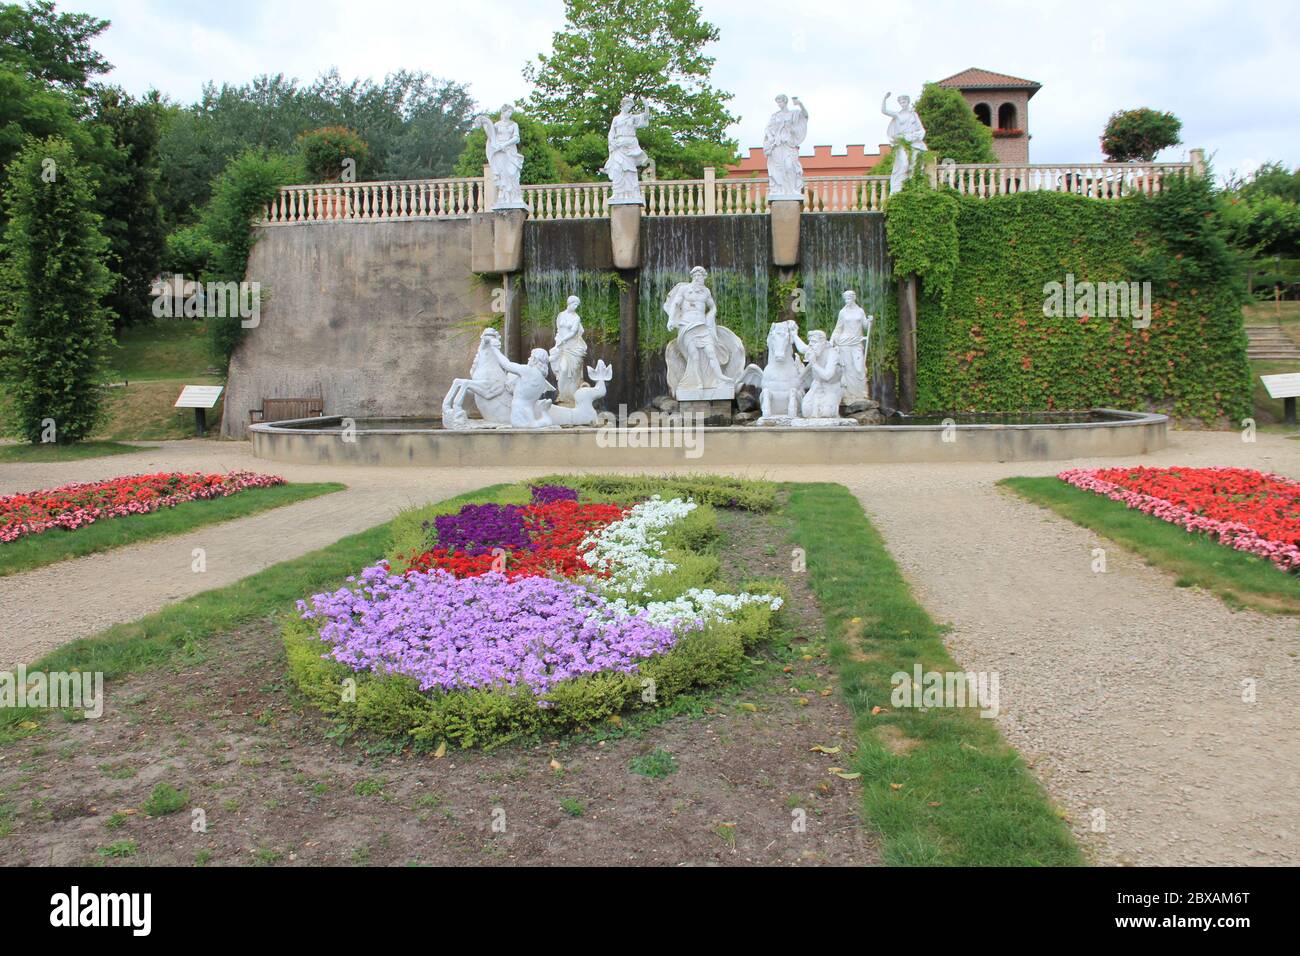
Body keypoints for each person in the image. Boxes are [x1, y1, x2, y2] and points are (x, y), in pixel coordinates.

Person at [602, 95, 651, 203]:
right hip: (619, 146)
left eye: (631, 106)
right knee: (617, 169)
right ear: (623, 105)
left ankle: (632, 193)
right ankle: (617, 193)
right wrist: (612, 143)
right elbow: (611, 133)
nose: (629, 108)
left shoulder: (632, 118)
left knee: (630, 170)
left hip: (630, 145)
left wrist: (646, 106)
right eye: (628, 105)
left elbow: (645, 117)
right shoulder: (616, 119)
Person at [830, 290, 873, 402]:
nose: (847, 300)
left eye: (849, 298)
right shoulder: (842, 312)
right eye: (845, 298)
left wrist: (869, 322)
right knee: (848, 369)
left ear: (854, 297)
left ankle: (862, 392)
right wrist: (832, 339)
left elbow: (864, 325)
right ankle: (849, 394)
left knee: (860, 368)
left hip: (856, 342)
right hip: (844, 342)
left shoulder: (860, 311)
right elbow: (838, 328)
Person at [763, 94, 809, 198]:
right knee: (779, 169)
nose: (779, 104)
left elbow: (805, 116)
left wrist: (800, 104)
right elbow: (767, 129)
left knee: (789, 166)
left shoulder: (793, 113)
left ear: (785, 101)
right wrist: (770, 138)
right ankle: (781, 190)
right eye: (777, 102)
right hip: (777, 146)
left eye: (780, 101)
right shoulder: (775, 116)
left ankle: (792, 190)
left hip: (788, 145)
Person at [548, 296, 587, 405]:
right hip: (562, 346)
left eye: (577, 305)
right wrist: (557, 343)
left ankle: (570, 397)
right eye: (575, 304)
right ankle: (562, 395)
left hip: (573, 347)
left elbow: (573, 332)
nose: (576, 307)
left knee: (570, 372)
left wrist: (563, 340)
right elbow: (559, 331)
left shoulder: (576, 318)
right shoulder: (561, 315)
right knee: (562, 370)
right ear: (569, 303)